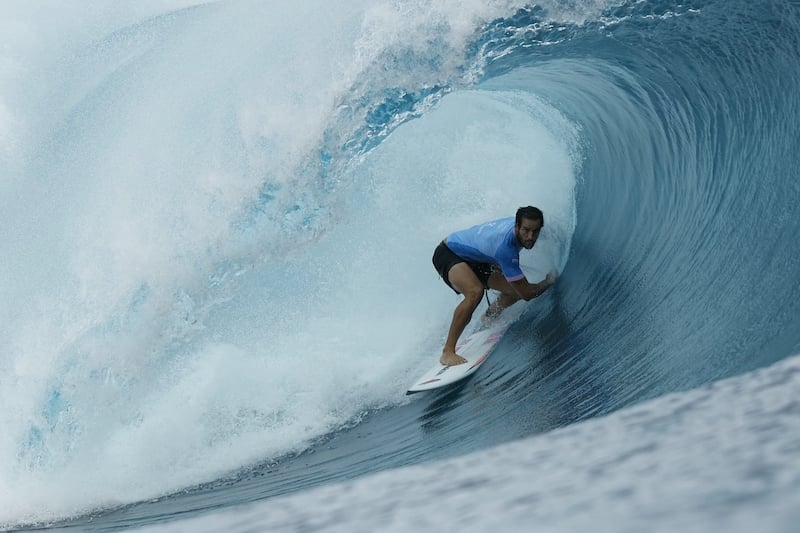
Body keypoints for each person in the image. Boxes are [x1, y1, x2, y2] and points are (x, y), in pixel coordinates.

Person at [432, 206, 556, 366]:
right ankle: (448, 351)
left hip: (477, 258)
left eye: (535, 231)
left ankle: (489, 316)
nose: (530, 236)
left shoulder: (521, 228)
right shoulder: (506, 249)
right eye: (526, 230)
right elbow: (527, 294)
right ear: (516, 226)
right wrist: (547, 281)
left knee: (514, 291)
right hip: (448, 253)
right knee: (475, 291)